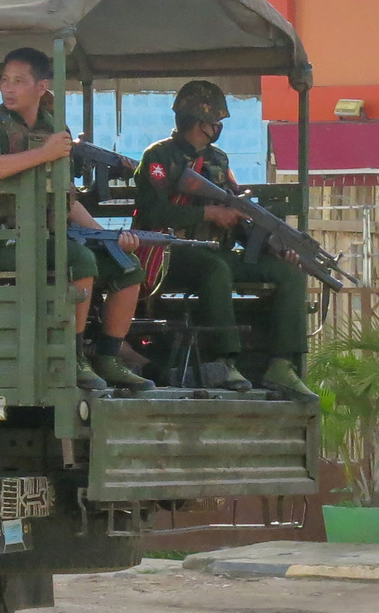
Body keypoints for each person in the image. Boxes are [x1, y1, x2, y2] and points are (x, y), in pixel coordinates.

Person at [0, 47, 152, 391]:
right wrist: (43, 154)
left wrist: (108, 237)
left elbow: (66, 197)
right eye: (5, 80)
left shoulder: (53, 126)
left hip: (45, 234)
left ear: (41, 86)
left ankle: (108, 358)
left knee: (127, 266)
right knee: (78, 259)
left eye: (19, 81)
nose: (9, 88)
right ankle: (72, 357)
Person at [132, 81, 315, 401]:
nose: (217, 128)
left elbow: (235, 209)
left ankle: (282, 365)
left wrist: (275, 246)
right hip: (168, 256)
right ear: (198, 123)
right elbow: (152, 212)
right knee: (215, 267)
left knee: (287, 273)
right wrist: (208, 215)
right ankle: (225, 361)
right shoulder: (159, 157)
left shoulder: (218, 160)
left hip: (216, 253)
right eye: (214, 122)